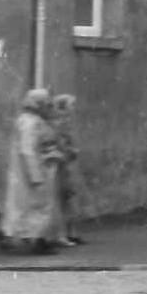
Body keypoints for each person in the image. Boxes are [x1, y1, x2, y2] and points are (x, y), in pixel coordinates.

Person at [0, 87, 63, 254]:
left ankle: (15, 236)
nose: (49, 107)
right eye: (46, 104)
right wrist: (36, 175)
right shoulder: (30, 123)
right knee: (39, 206)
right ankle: (36, 240)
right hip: (32, 172)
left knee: (24, 206)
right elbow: (28, 150)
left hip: (28, 172)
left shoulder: (29, 120)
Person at [51, 93, 84, 246]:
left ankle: (71, 232)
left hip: (67, 164)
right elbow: (60, 142)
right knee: (64, 199)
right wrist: (70, 151)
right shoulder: (59, 123)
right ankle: (64, 234)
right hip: (62, 165)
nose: (73, 109)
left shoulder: (63, 122)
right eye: (71, 105)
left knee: (69, 198)